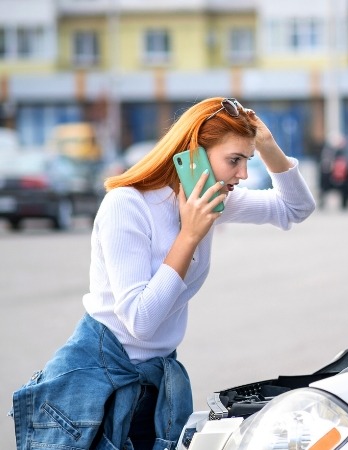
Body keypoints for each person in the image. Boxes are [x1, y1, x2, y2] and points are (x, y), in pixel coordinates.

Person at [11, 97, 316, 450]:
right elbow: (141, 321)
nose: (243, 174)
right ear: (195, 154)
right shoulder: (127, 205)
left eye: (246, 161)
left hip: (155, 383)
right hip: (94, 386)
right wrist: (189, 236)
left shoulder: (208, 200)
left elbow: (296, 207)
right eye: (234, 160)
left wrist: (265, 143)